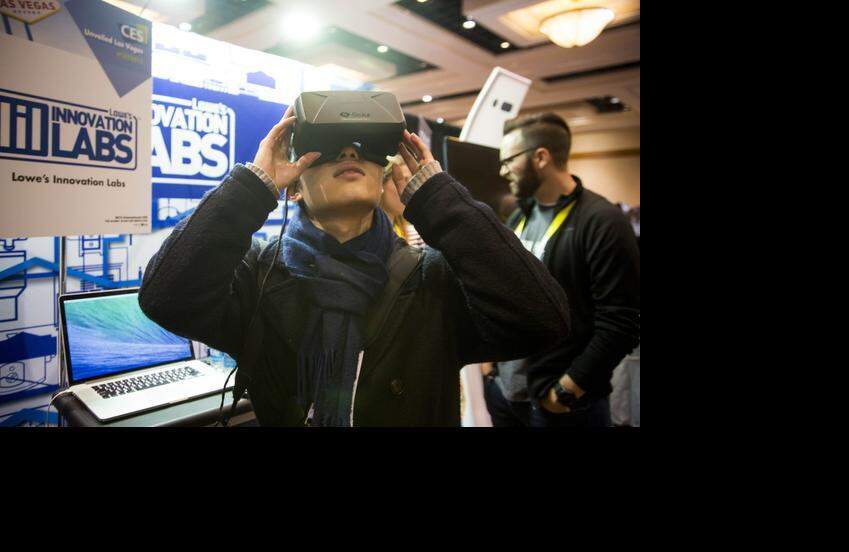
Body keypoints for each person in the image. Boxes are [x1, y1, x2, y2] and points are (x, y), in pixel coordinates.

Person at [138, 104, 570, 426]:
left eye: (365, 145)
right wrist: (253, 185)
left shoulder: (434, 277)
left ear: (384, 174)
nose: (348, 150)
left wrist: (438, 198)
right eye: (324, 149)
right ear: (294, 189)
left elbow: (543, 318)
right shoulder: (258, 275)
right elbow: (165, 297)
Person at [485, 113, 640, 428]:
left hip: (562, 403)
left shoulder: (601, 221)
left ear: (541, 157)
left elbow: (622, 320)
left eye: (509, 160)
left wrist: (567, 390)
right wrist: (492, 366)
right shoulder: (520, 216)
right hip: (508, 393)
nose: (503, 171)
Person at [380, 154, 426, 248]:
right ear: (381, 184)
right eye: (403, 180)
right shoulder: (366, 235)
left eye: (411, 181)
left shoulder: (416, 233)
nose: (411, 189)